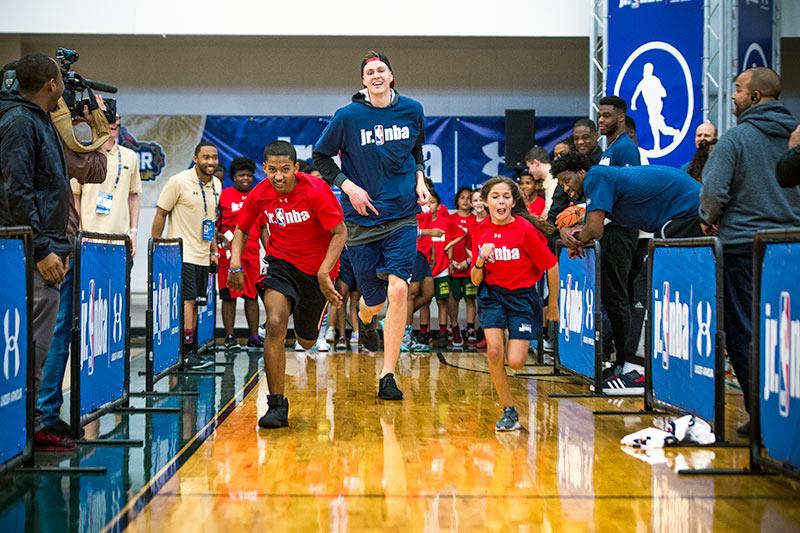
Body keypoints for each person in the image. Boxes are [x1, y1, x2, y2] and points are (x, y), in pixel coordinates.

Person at [0, 53, 107, 451]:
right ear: (50, 83)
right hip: (31, 251)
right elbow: (17, 189)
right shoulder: (19, 121)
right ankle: (23, 430)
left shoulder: (36, 118)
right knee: (30, 343)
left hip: (41, 246)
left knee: (39, 342)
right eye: (61, 78)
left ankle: (31, 426)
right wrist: (43, 247)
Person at [312, 50, 431, 400]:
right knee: (374, 300)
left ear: (391, 76)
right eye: (369, 72)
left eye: (382, 69)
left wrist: (421, 179)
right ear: (363, 82)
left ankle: (388, 375)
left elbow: (417, 149)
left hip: (403, 213)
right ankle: (364, 318)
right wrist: (348, 187)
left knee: (399, 289)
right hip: (362, 218)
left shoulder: (413, 109)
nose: (376, 75)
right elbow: (321, 156)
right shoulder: (347, 117)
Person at [699, 67, 800, 435]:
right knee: (787, 335)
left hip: (743, 248)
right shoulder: (796, 137)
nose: (733, 96)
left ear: (755, 98)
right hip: (791, 249)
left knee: (743, 333)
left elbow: (712, 194)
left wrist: (707, 219)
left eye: (738, 90)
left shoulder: (735, 139)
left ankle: (760, 415)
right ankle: (786, 416)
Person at [228, 141, 346, 428]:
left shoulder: (316, 191)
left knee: (306, 342)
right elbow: (241, 229)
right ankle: (276, 404)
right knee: (275, 323)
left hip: (316, 270)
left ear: (295, 167)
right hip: (280, 265)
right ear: (265, 168)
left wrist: (323, 274)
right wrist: (235, 263)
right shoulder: (261, 193)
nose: (278, 177)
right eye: (272, 170)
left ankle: (312, 324)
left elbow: (340, 233)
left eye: (285, 170)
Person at [37, 104, 135, 443]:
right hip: (49, 246)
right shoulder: (52, 134)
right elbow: (95, 168)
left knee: (57, 332)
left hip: (53, 243)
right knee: (53, 331)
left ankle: (44, 415)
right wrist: (95, 120)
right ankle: (41, 417)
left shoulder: (38, 129)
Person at [470, 177, 559, 431]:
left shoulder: (524, 230)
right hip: (492, 295)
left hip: (522, 298)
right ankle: (509, 409)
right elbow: (476, 280)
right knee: (495, 352)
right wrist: (480, 261)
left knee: (517, 361)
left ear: (513, 201)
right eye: (495, 196)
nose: (501, 201)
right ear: (486, 202)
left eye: (506, 196)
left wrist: (552, 304)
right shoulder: (480, 231)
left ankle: (514, 338)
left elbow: (551, 266)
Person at [152, 142, 222, 370]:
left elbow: (210, 221)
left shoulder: (217, 185)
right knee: (188, 301)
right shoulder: (178, 181)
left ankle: (190, 348)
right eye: (205, 157)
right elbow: (161, 213)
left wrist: (214, 251)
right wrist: (157, 246)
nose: (210, 162)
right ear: (195, 158)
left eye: (214, 157)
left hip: (203, 254)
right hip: (183, 253)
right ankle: (187, 352)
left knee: (196, 303)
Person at [216, 156, 264, 352]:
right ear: (234, 177)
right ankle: (229, 337)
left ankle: (253, 336)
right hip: (228, 255)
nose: (246, 178)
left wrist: (269, 252)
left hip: (251, 254)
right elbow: (215, 225)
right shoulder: (224, 195)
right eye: (241, 175)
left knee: (252, 296)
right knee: (230, 296)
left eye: (249, 175)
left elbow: (263, 227)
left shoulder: (257, 196)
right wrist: (222, 239)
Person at [426, 191, 464, 348]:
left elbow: (462, 233)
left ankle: (443, 332)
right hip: (426, 268)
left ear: (439, 206)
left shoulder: (444, 222)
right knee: (425, 301)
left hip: (442, 267)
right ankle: (424, 332)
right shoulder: (420, 223)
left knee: (442, 300)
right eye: (426, 203)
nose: (429, 206)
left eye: (432, 202)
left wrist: (448, 249)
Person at [449, 186, 479, 345]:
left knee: (470, 298)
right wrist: (451, 261)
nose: (466, 201)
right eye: (462, 197)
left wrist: (468, 262)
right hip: (453, 267)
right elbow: (446, 243)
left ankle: (470, 328)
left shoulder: (477, 221)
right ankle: (454, 327)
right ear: (457, 200)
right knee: (453, 298)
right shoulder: (450, 219)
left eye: (469, 198)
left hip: (470, 268)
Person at [524, 146, 556, 218]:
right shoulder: (550, 181)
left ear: (536, 163)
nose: (529, 171)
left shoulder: (555, 181)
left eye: (529, 167)